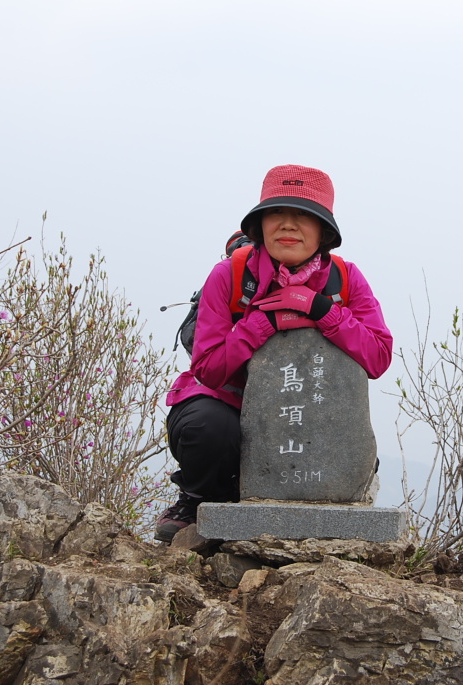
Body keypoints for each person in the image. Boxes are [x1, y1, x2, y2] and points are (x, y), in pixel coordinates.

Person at [155, 164, 393, 542]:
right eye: (277, 213)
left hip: (307, 410)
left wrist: (322, 311)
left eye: (303, 215)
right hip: (229, 405)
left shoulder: (346, 279)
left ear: (324, 231)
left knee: (345, 453)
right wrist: (264, 323)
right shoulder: (229, 275)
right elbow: (208, 368)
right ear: (260, 224)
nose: (288, 225)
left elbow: (378, 356)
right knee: (207, 428)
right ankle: (200, 499)